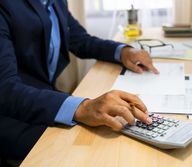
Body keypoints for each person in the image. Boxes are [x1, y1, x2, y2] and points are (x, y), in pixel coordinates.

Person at [0, 0, 159, 161]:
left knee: (111, 138)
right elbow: (5, 88)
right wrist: (82, 107)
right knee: (92, 151)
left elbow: (80, 40)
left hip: (40, 99)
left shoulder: (56, 2)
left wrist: (123, 52)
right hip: (11, 113)